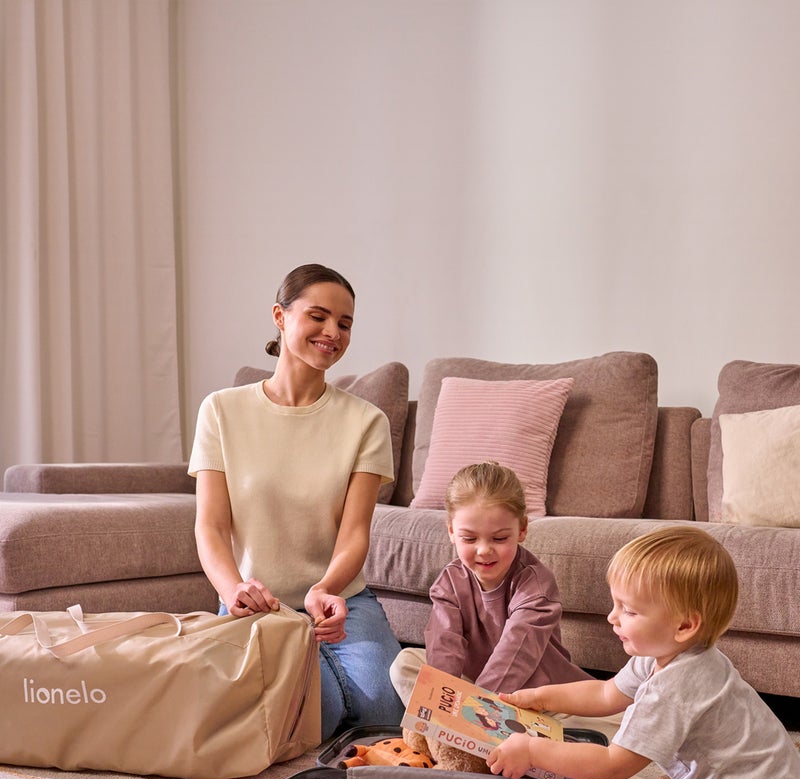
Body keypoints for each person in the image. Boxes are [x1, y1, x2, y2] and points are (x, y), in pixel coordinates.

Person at [487, 526, 800, 779]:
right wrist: (540, 697)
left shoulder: (675, 687)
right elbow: (607, 693)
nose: (612, 617)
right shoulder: (665, 653)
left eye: (629, 611)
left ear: (684, 626)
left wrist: (533, 749)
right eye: (616, 604)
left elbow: (615, 764)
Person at [188, 263, 404, 740]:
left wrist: (326, 587)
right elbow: (210, 526)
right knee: (313, 716)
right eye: (319, 317)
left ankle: (313, 675)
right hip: (253, 605)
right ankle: (310, 686)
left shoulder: (365, 421)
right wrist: (231, 592)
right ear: (280, 317)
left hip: (340, 598)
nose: (333, 332)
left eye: (345, 323)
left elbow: (354, 532)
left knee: (387, 715)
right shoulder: (221, 410)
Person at [389, 460, 590, 707]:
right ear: (452, 531)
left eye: (499, 538)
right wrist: (442, 700)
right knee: (405, 662)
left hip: (538, 693)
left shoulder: (535, 586)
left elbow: (515, 656)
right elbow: (444, 647)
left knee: (618, 719)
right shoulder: (449, 582)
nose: (484, 550)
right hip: (477, 688)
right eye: (470, 538)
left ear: (522, 529)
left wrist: (474, 711)